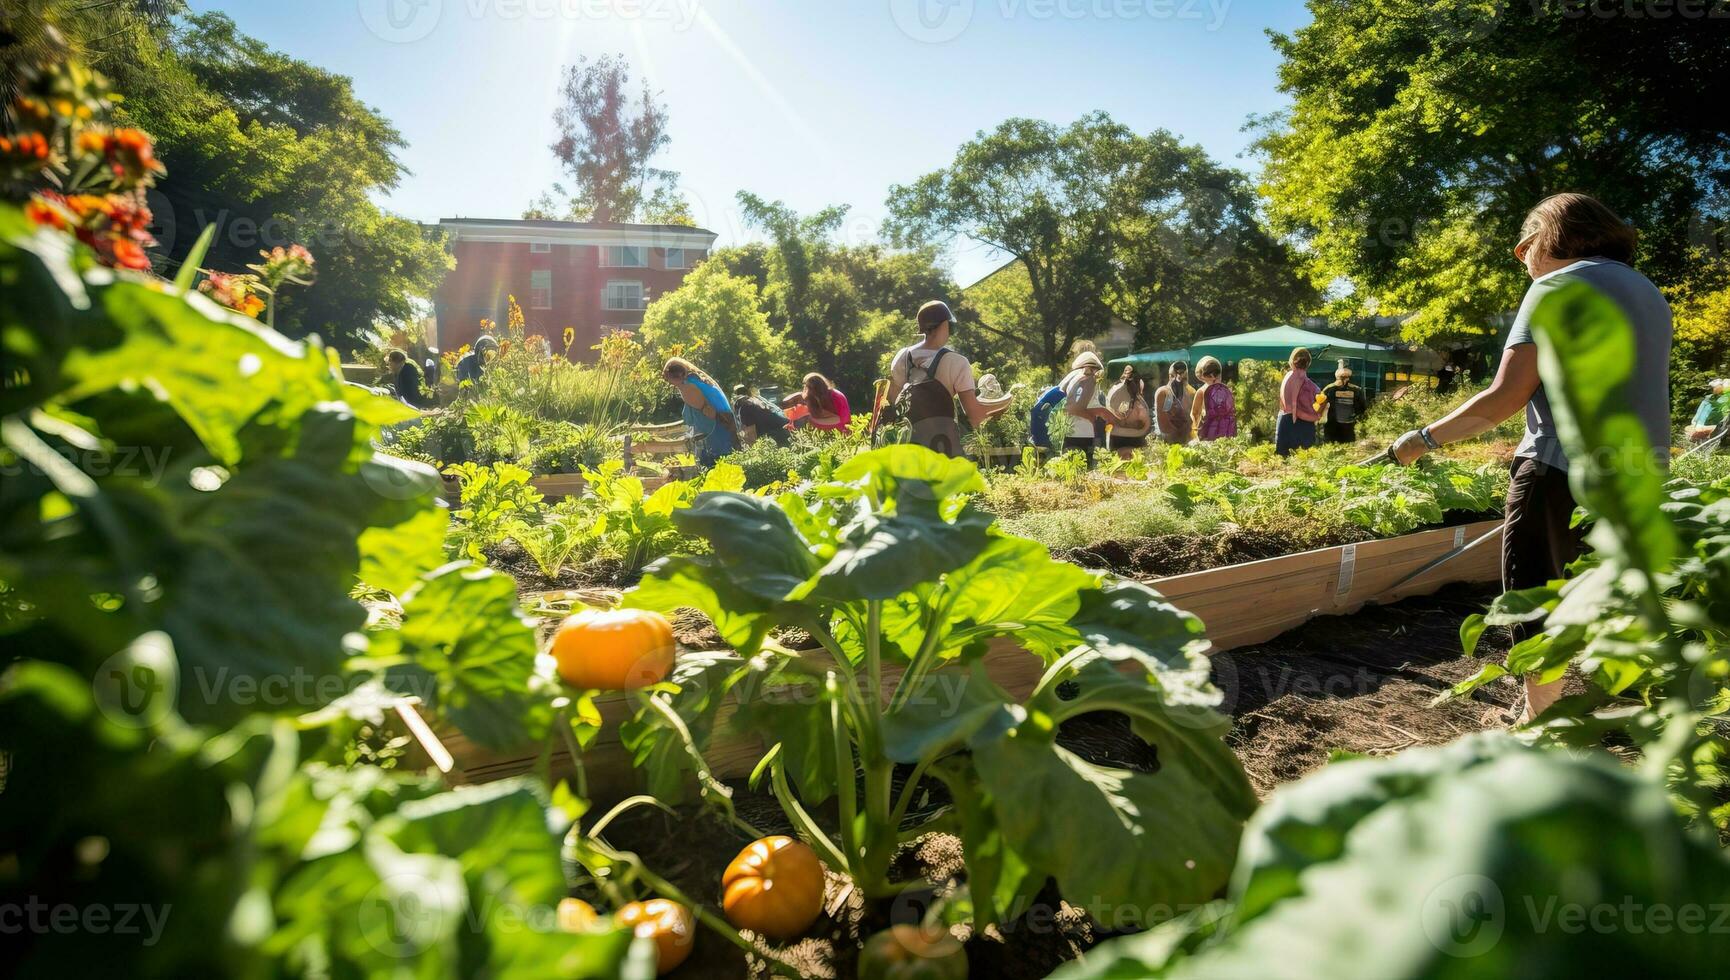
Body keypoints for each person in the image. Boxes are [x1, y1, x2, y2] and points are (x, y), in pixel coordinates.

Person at [1387, 192, 1672, 724]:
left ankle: (1540, 723)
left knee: (1534, 594)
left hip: (1561, 468)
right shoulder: (1647, 292)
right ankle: (1606, 706)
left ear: (1550, 238)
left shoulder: (1555, 286)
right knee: (1595, 591)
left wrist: (1420, 439)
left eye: (1526, 244)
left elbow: (1506, 396)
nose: (1522, 259)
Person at [886, 300, 1012, 457]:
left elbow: (892, 401)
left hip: (908, 449)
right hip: (942, 449)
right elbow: (976, 416)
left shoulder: (902, 357)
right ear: (946, 324)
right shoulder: (957, 362)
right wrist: (1004, 403)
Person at [662, 357, 737, 466]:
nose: (667, 381)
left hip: (717, 429)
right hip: (726, 424)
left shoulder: (687, 386)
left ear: (673, 376)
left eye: (666, 377)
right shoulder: (697, 379)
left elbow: (707, 413)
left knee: (715, 465)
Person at [1061, 351, 1117, 467]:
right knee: (1085, 473)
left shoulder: (1071, 378)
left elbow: (1068, 407)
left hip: (1068, 433)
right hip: (1083, 434)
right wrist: (1095, 415)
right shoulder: (1088, 379)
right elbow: (1073, 408)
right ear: (1094, 368)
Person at [1274, 348, 1322, 456]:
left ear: (1292, 361)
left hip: (1287, 421)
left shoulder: (1288, 377)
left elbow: (1286, 404)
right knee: (1303, 461)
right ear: (1308, 363)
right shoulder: (1314, 388)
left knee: (1284, 460)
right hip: (1305, 425)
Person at [1105, 366, 1152, 458]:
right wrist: (1140, 432)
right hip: (1127, 440)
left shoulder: (1115, 394)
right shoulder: (1139, 404)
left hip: (1120, 439)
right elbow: (1146, 425)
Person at [1320, 362, 1369, 444]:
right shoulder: (1330, 389)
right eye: (1342, 377)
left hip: (1346, 429)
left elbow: (1362, 410)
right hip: (1334, 428)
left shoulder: (1355, 390)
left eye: (1345, 377)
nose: (1344, 380)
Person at [782, 373, 851, 431]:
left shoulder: (833, 396)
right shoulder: (820, 394)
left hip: (841, 425)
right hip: (835, 422)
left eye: (807, 387)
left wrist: (810, 418)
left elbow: (839, 419)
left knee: (807, 416)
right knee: (806, 413)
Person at [1194, 356, 1237, 441]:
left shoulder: (1225, 390)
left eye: (1216, 376)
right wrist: (1196, 429)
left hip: (1225, 429)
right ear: (1203, 377)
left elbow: (1231, 410)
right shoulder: (1202, 391)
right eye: (1209, 376)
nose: (1213, 379)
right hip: (1208, 429)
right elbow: (1195, 412)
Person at [1154, 360, 1193, 444]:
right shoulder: (1164, 392)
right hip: (1169, 442)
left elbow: (1192, 419)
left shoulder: (1189, 393)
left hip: (1186, 440)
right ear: (1170, 376)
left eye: (1184, 378)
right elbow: (1164, 425)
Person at [1686, 378, 1728, 443]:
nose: (1712, 389)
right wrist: (1694, 423)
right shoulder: (1709, 398)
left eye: (1713, 387)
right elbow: (1700, 412)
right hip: (1699, 426)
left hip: (1713, 429)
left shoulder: (1725, 399)